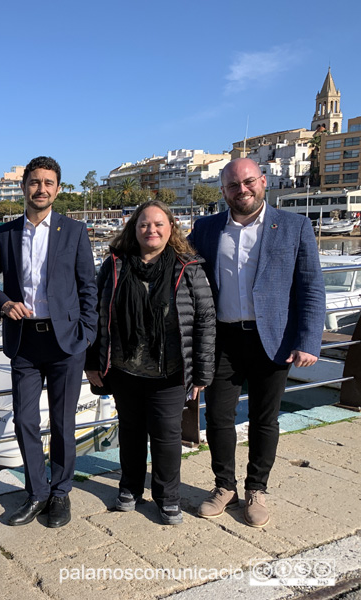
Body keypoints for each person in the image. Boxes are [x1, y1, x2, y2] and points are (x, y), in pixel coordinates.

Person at [189, 157, 325, 528]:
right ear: (223, 191)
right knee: (218, 418)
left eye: (248, 182)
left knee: (265, 420)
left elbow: (311, 287)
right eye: (233, 185)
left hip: (274, 339)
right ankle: (224, 486)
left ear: (263, 181)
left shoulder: (294, 226)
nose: (242, 190)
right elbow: (177, 264)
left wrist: (309, 340)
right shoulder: (206, 228)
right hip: (223, 339)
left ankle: (256, 490)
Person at [0, 156, 97, 528]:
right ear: (24, 187)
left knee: (63, 423)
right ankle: (36, 492)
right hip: (24, 341)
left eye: (48, 182)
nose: (41, 188)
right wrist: (3, 302)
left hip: (65, 342)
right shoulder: (5, 234)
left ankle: (60, 494)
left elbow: (88, 287)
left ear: (57, 189)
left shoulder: (75, 231)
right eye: (34, 182)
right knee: (25, 421)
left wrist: (87, 333)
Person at [84, 200, 216, 525]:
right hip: (125, 369)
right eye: (144, 224)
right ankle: (129, 488)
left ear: (171, 228)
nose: (151, 229)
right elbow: (96, 317)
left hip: (169, 372)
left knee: (167, 434)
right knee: (129, 431)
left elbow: (205, 320)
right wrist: (91, 362)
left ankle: (167, 497)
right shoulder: (115, 265)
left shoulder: (188, 267)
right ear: (134, 228)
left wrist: (202, 371)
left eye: (158, 224)